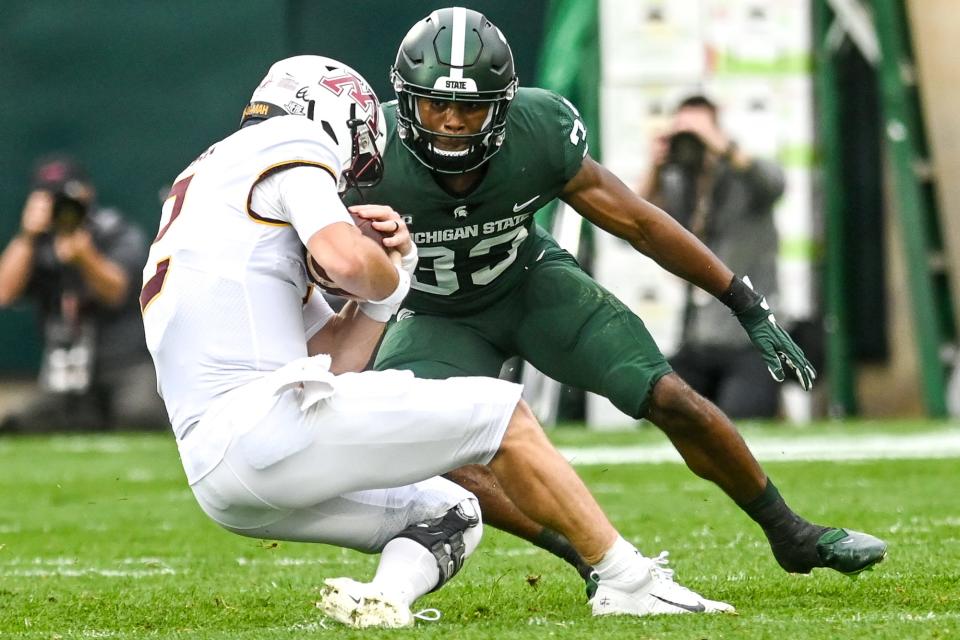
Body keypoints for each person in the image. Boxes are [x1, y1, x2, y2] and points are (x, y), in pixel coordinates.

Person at [141, 54, 736, 628]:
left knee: (453, 512)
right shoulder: (289, 143)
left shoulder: (213, 191)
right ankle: (629, 583)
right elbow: (347, 260)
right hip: (259, 426)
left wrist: (388, 290)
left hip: (221, 479)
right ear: (339, 117)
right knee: (502, 413)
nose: (355, 171)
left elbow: (337, 364)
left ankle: (382, 600)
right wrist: (389, 264)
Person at [344, 7, 887, 590]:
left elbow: (639, 222)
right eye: (435, 104)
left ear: (502, 107)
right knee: (434, 451)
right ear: (405, 101)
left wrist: (742, 300)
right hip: (436, 313)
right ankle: (588, 557)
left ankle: (790, 533)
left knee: (671, 397)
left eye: (471, 106)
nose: (452, 122)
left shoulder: (539, 131)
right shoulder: (367, 152)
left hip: (531, 286)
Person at [639, 95, 785, 419]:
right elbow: (633, 221)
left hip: (750, 339)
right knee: (660, 416)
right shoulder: (679, 183)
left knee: (743, 421)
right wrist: (655, 166)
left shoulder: (745, 179)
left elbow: (775, 185)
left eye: (700, 132)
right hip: (697, 338)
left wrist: (723, 146)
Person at [0, 155, 167, 433]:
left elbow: (116, 292)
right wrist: (27, 236)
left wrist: (84, 257)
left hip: (125, 363)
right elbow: (5, 293)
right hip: (66, 372)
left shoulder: (114, 231)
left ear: (87, 193)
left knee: (139, 416)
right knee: (19, 424)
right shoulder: (35, 243)